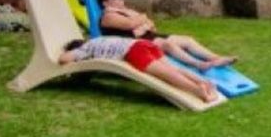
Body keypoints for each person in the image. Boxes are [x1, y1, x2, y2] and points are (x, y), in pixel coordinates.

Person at [97, 0, 236, 71]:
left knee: (187, 40)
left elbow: (150, 23)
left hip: (147, 36)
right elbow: (131, 24)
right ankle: (198, 64)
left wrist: (142, 23)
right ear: (105, 3)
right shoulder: (108, 16)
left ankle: (216, 58)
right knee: (168, 44)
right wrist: (142, 19)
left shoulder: (127, 11)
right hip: (132, 43)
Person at [59, 37, 218, 103]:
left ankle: (197, 90)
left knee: (167, 75)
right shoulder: (98, 39)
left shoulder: (86, 48)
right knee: (174, 68)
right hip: (143, 43)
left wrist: (71, 55)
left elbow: (63, 59)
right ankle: (203, 82)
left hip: (133, 51)